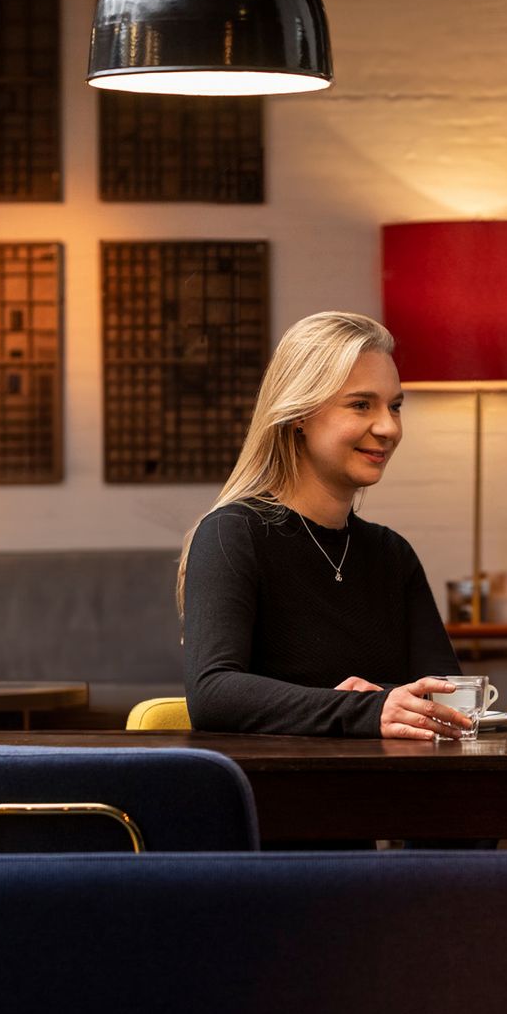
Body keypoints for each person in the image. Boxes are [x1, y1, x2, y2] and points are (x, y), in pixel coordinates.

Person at [180, 311, 470, 740]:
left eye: (395, 406)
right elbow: (213, 694)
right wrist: (360, 710)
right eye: (360, 405)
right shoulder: (232, 534)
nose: (389, 427)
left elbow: (449, 695)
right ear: (299, 414)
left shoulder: (392, 554)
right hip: (279, 796)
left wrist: (378, 704)